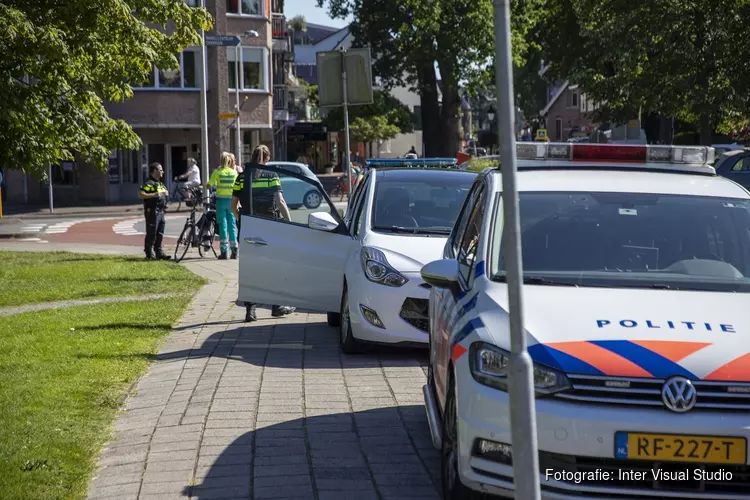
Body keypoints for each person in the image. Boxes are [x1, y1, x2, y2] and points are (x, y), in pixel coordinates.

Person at [231, 145, 295, 322]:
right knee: (272, 267)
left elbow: (233, 206)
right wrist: (289, 223)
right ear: (267, 158)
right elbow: (280, 201)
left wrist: (242, 220)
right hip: (270, 227)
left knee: (251, 269)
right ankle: (276, 306)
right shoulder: (271, 176)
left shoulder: (242, 178)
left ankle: (250, 311)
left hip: (249, 228)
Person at [207, 152, 239, 260]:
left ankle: (224, 252)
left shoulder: (217, 172)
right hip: (231, 201)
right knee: (232, 225)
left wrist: (211, 185)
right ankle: (234, 250)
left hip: (220, 201)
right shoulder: (234, 173)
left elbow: (209, 185)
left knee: (223, 225)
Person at [139, 163, 171, 260]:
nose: (162, 172)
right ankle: (149, 252)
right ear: (154, 171)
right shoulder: (149, 183)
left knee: (160, 233)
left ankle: (159, 252)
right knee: (152, 232)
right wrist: (154, 194)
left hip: (161, 211)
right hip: (152, 211)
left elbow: (166, 192)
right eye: (160, 170)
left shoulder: (160, 183)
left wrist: (165, 197)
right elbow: (141, 194)